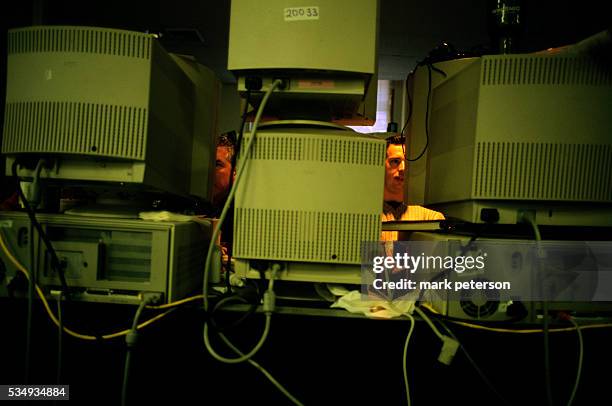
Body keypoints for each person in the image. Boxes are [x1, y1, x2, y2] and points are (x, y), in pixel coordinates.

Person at [381, 134, 444, 241]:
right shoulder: (364, 216)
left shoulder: (431, 220)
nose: (403, 168)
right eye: (395, 161)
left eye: (408, 162)